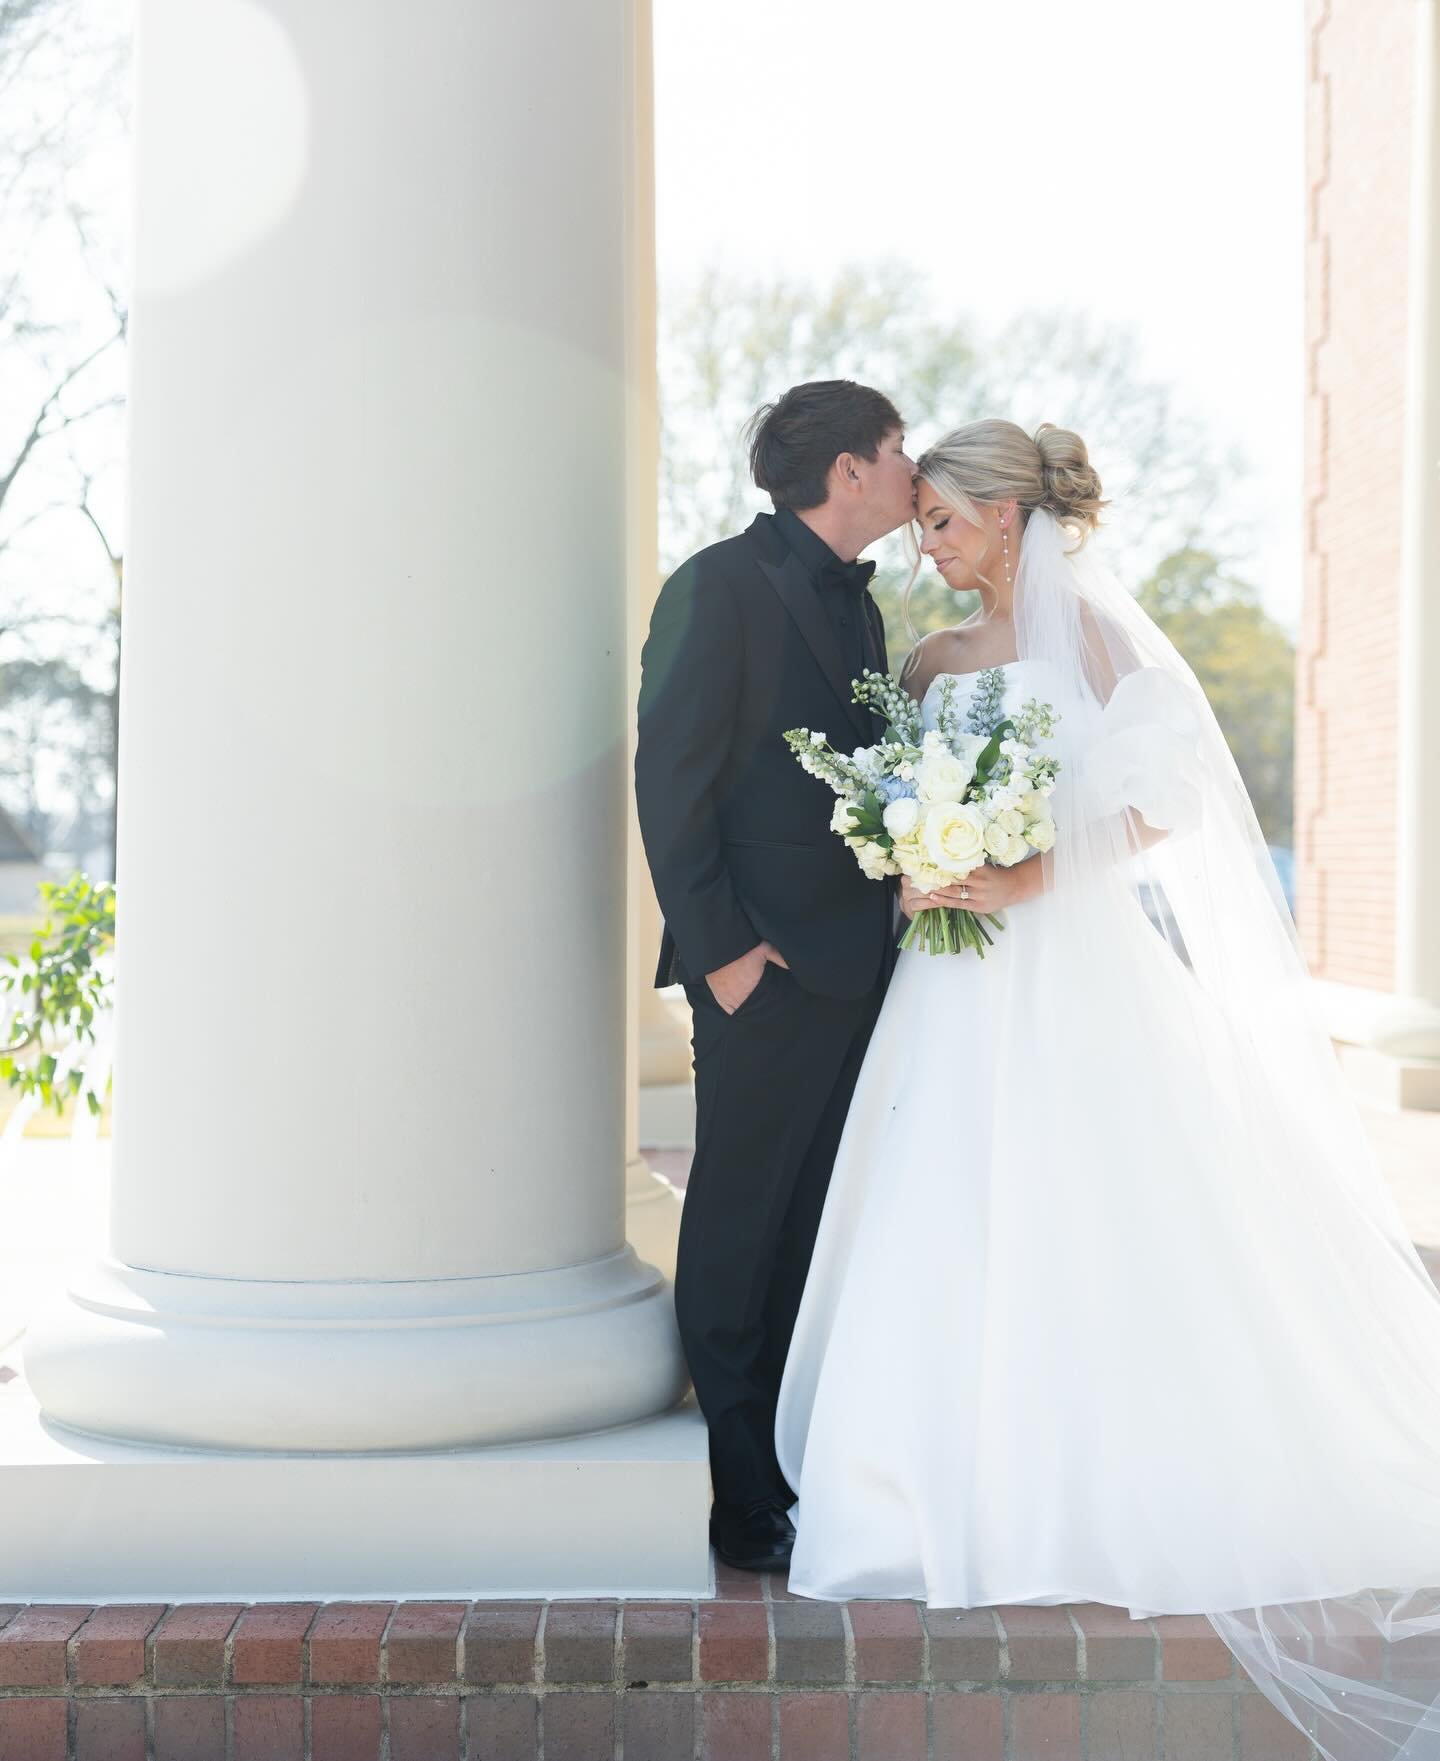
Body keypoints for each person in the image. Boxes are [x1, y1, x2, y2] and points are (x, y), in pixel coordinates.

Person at [773, 418, 1440, 1759]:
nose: (931, 547)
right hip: (954, 983)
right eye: (921, 530)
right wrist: (917, 859)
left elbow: (1170, 794)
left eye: (946, 524)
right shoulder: (929, 660)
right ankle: (920, 1500)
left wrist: (1030, 871)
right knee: (948, 1201)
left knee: (1108, 1203)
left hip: (1077, 965)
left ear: (1008, 517)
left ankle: (1110, 1488)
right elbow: (895, 797)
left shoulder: (1100, 647)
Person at [634, 380, 914, 1570]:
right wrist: (728, 960)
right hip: (763, 976)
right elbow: (670, 782)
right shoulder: (717, 585)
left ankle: (799, 1467)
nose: (914, 471)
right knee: (742, 1223)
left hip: (864, 971)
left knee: (812, 1227)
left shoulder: (866, 610)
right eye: (900, 452)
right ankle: (742, 1496)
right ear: (848, 469)